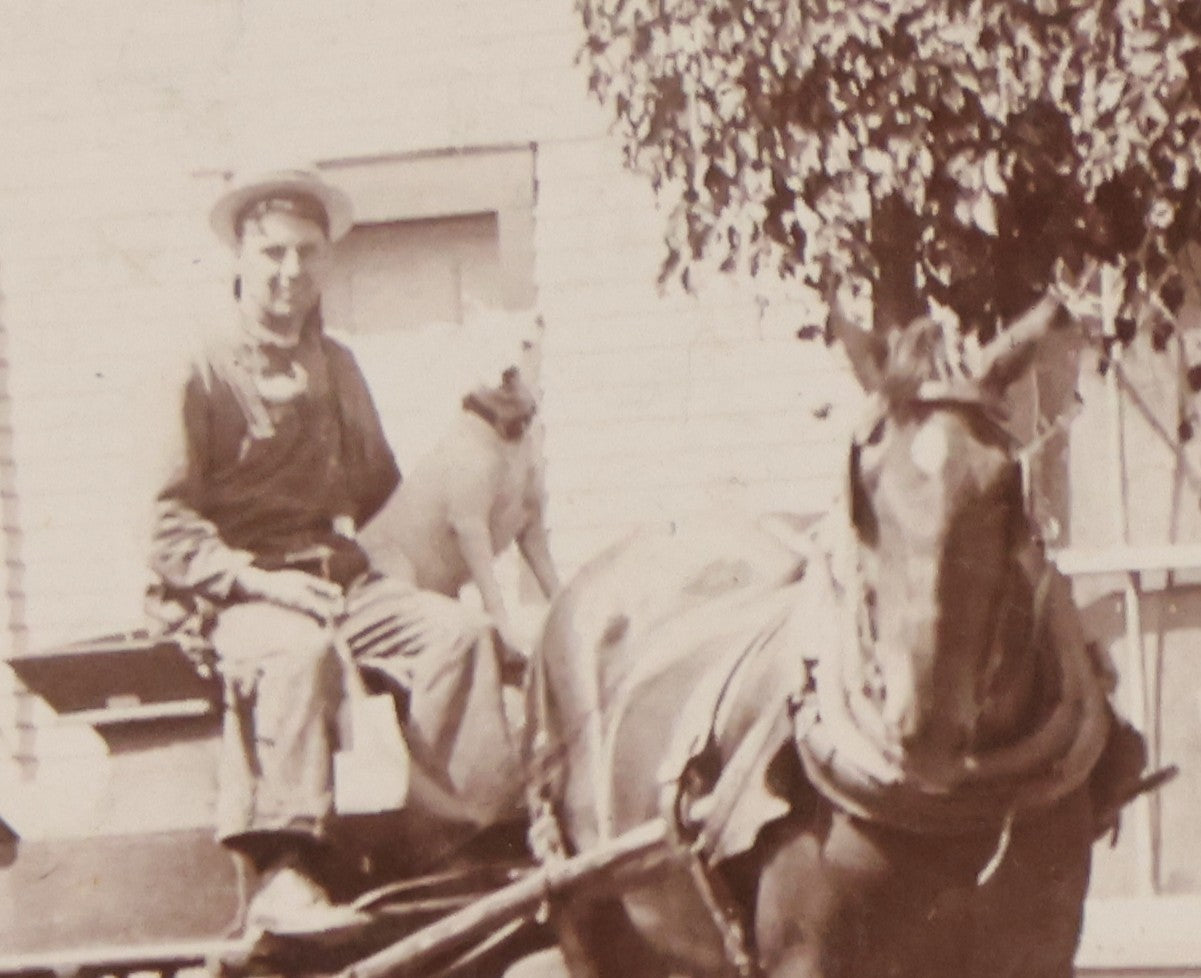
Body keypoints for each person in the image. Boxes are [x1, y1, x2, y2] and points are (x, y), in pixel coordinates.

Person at [148, 168, 521, 934]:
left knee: (459, 636)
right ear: (241, 259)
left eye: (307, 255)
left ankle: (444, 846)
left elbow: (380, 492)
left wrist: (404, 553)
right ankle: (285, 871)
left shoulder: (338, 367)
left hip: (337, 581)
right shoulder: (198, 367)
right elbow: (167, 527)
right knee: (297, 652)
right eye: (274, 254)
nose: (290, 274)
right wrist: (256, 582)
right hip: (233, 597)